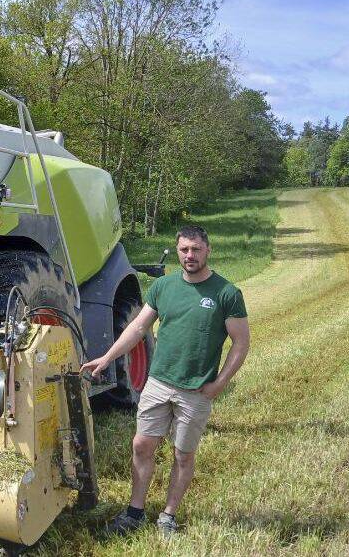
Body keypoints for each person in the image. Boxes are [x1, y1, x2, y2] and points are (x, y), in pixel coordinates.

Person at [82, 225, 251, 536]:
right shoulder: (163, 287)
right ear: (177, 250)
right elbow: (137, 329)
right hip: (158, 383)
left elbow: (240, 343)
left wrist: (221, 383)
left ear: (207, 250)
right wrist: (106, 358)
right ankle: (134, 513)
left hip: (196, 390)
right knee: (142, 445)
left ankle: (168, 516)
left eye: (196, 249)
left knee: (183, 455)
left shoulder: (227, 294)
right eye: (184, 249)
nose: (190, 255)